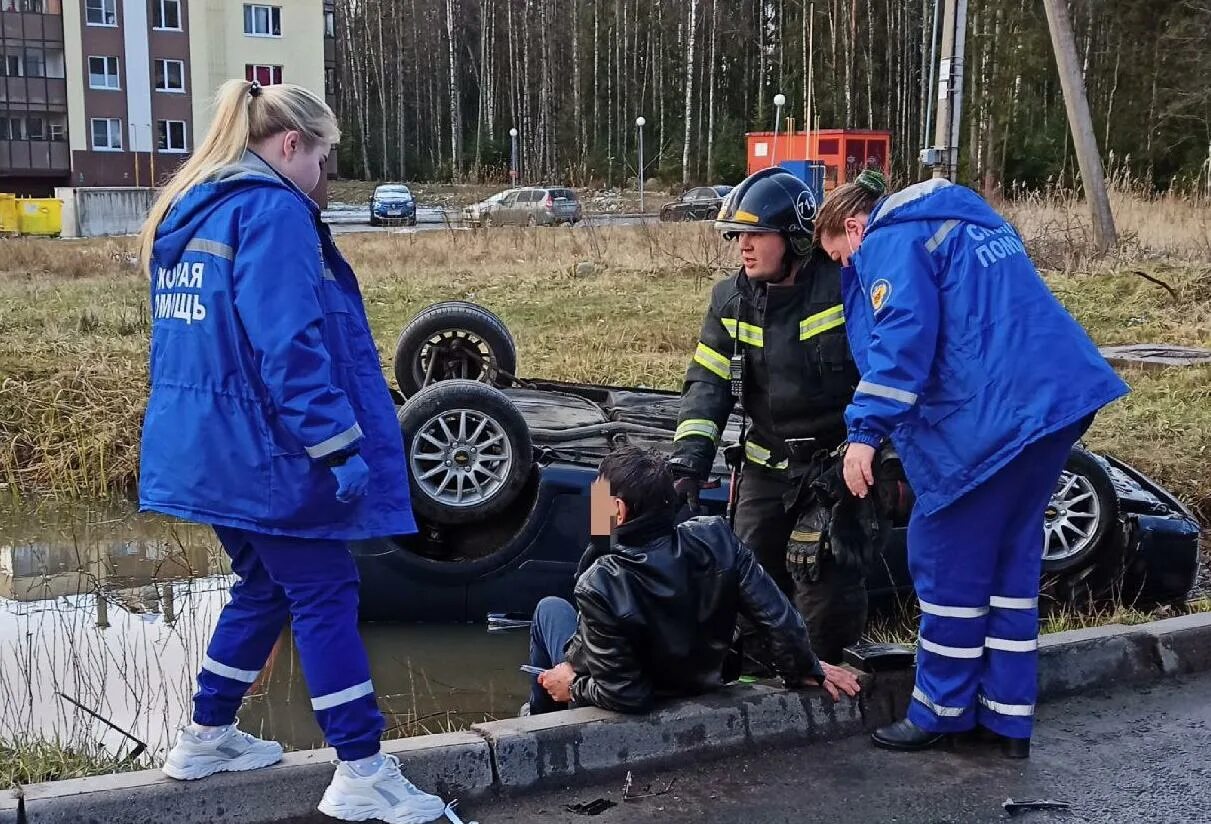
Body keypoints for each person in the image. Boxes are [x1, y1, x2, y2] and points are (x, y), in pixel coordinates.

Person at [138, 79, 447, 824]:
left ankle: (205, 734)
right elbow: (290, 347)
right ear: (287, 146)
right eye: (323, 158)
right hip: (263, 454)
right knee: (325, 590)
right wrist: (339, 448)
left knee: (264, 585)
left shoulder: (188, 211)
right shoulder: (273, 211)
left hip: (201, 448)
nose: (323, 177)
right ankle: (361, 769)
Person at [814, 170, 1129, 758]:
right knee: (1010, 569)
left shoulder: (888, 239)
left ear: (852, 227)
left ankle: (941, 711)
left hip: (991, 422)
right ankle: (1008, 721)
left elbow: (903, 336)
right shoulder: (967, 222)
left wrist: (865, 433)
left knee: (945, 563)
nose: (846, 269)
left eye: (839, 256)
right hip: (1054, 405)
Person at [669, 166, 867, 665]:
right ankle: (759, 702)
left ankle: (825, 705)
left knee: (823, 595)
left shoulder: (847, 287)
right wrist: (689, 462)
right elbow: (707, 384)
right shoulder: (730, 300)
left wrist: (842, 493)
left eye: (757, 234)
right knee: (746, 585)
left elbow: (883, 383)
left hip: (833, 471)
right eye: (739, 234)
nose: (744, 246)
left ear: (796, 237)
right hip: (763, 470)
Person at [524, 445, 861, 716]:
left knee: (548, 610)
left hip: (628, 690)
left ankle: (541, 719)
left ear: (616, 509)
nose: (592, 508)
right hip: (705, 679)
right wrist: (806, 666)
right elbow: (778, 619)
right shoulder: (715, 537)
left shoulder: (599, 583)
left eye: (597, 500)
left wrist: (570, 684)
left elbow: (626, 696)